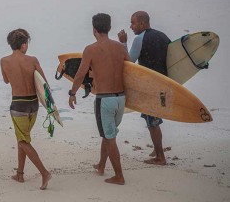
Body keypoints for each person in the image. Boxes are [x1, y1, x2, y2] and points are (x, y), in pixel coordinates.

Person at [69, 13, 130, 185]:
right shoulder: (120, 47)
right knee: (108, 133)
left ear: (94, 29)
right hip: (121, 99)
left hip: (105, 100)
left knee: (109, 137)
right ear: (109, 28)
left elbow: (80, 74)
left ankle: (119, 176)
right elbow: (131, 70)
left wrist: (72, 93)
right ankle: (101, 165)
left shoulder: (91, 49)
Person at [0, 28, 52, 190]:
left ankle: (44, 172)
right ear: (23, 45)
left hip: (18, 105)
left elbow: (6, 80)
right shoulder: (33, 60)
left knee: (23, 140)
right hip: (33, 105)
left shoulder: (4, 61)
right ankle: (20, 174)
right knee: (23, 138)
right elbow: (44, 84)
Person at [118, 11, 171, 165]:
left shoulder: (139, 39)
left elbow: (128, 62)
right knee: (154, 119)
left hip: (149, 87)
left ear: (142, 23)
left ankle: (160, 157)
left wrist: (123, 43)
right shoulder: (163, 36)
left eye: (133, 23)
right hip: (163, 84)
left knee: (152, 122)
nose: (131, 26)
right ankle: (157, 148)